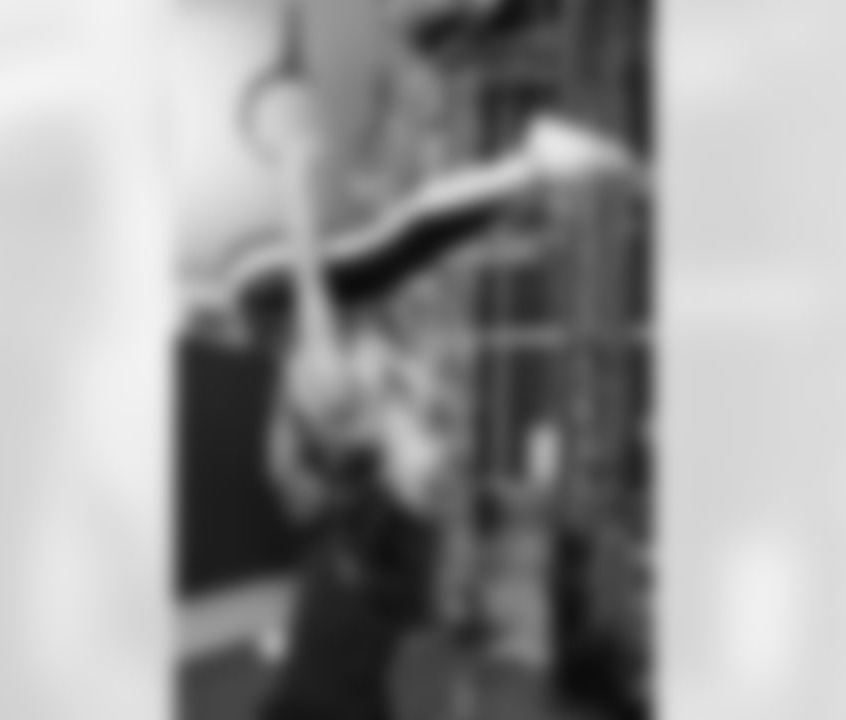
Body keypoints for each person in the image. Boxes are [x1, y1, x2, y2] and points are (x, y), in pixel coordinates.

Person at [224, 76, 635, 719]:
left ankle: (532, 160)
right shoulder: (371, 472)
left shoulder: (347, 433)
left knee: (397, 244)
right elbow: (318, 296)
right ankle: (532, 160)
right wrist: (291, 169)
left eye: (424, 422)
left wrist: (292, 171)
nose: (439, 451)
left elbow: (317, 295)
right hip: (269, 294)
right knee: (398, 243)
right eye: (427, 419)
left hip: (277, 301)